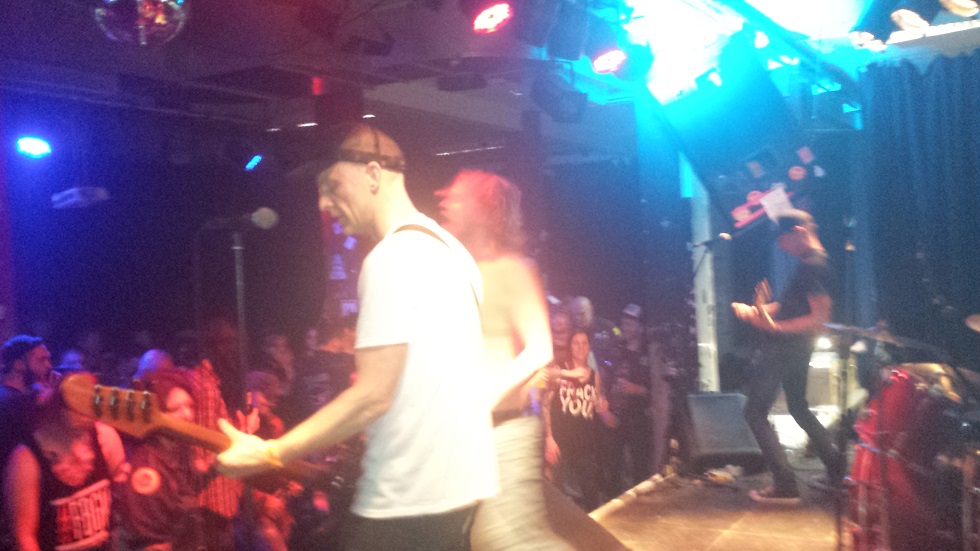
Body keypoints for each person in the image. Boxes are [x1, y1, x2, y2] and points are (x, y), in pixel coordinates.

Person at [216, 124, 498, 550]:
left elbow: (373, 395)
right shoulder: (454, 252)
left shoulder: (391, 258)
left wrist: (271, 452)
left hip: (405, 500)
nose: (323, 203)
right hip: (460, 488)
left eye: (332, 186)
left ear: (373, 174)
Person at [438, 169, 572, 550]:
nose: (445, 200)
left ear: (484, 209)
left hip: (503, 431)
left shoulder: (513, 268)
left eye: (457, 197)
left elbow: (540, 348)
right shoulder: (458, 271)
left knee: (509, 542)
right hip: (464, 434)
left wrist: (481, 400)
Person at [731, 209, 842, 504]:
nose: (781, 246)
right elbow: (787, 306)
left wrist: (775, 327)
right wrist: (754, 312)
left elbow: (819, 319)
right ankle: (837, 471)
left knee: (754, 412)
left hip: (785, 347)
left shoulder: (815, 266)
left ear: (798, 232)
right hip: (796, 347)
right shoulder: (810, 263)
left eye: (783, 239)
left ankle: (785, 484)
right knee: (798, 408)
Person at [2, 373, 125, 551]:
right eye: (77, 407)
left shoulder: (105, 438)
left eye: (90, 406)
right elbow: (24, 537)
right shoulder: (26, 458)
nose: (86, 416)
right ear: (58, 406)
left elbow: (123, 506)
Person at [115, 367, 201, 551]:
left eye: (190, 406)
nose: (187, 415)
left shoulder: (178, 447)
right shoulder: (147, 461)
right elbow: (147, 534)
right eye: (175, 409)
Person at [544, 330, 616, 511]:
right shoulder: (561, 369)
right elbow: (545, 399)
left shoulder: (595, 376)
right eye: (576, 343)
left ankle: (593, 523)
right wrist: (548, 438)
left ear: (589, 346)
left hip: (584, 442)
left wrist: (603, 409)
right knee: (557, 491)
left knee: (590, 490)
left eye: (584, 343)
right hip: (560, 440)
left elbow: (598, 407)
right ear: (570, 346)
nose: (580, 347)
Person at [606, 304, 652, 492]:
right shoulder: (616, 350)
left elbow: (656, 393)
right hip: (617, 416)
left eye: (630, 323)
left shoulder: (649, 354)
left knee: (640, 465)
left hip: (639, 419)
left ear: (640, 327)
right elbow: (607, 378)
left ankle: (644, 502)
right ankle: (613, 500)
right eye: (624, 323)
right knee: (613, 464)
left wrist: (635, 389)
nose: (625, 327)